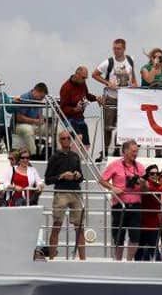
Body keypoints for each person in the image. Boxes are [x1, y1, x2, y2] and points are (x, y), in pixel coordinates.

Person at [91, 38, 138, 159]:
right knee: (108, 126)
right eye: (114, 48)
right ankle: (105, 150)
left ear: (124, 49)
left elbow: (133, 75)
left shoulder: (130, 60)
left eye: (119, 48)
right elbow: (94, 74)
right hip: (111, 97)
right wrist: (107, 83)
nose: (116, 51)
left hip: (126, 98)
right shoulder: (108, 62)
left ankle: (118, 149)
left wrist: (135, 85)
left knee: (123, 126)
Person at [99, 140, 145, 261]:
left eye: (136, 151)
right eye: (133, 151)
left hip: (135, 206)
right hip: (119, 205)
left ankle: (129, 261)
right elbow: (102, 180)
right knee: (119, 236)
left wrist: (143, 183)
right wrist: (113, 188)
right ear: (125, 151)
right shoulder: (115, 164)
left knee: (135, 236)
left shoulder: (140, 167)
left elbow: (146, 189)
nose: (135, 154)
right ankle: (118, 261)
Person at [44, 130, 86, 259]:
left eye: (68, 138)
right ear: (59, 140)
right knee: (57, 224)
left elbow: (81, 177)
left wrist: (78, 176)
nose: (66, 140)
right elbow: (47, 180)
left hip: (75, 191)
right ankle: (51, 258)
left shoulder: (75, 156)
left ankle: (83, 259)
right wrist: (61, 176)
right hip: (61, 192)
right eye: (63, 138)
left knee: (79, 227)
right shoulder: (54, 157)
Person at [58, 66, 97, 155]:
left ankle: (83, 161)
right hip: (68, 118)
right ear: (77, 75)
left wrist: (97, 98)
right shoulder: (66, 87)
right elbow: (63, 108)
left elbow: (87, 96)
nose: (84, 80)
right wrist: (74, 109)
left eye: (86, 78)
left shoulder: (82, 83)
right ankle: (71, 158)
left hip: (79, 117)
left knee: (86, 143)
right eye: (83, 78)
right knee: (78, 137)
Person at [11, 83, 50, 156]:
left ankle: (53, 152)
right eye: (41, 96)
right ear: (36, 91)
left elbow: (39, 115)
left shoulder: (38, 101)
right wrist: (35, 121)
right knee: (28, 130)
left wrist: (42, 119)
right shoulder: (24, 98)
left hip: (34, 124)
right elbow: (19, 118)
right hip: (19, 125)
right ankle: (33, 154)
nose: (42, 99)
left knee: (51, 129)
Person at [135, 165, 162, 260]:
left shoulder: (158, 186)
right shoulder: (146, 184)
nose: (155, 175)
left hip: (153, 223)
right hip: (142, 222)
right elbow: (146, 188)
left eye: (157, 173)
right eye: (152, 173)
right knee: (140, 249)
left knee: (154, 249)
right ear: (147, 174)